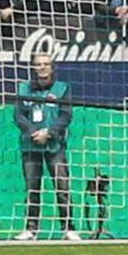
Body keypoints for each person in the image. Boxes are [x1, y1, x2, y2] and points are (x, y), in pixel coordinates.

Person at [14, 54, 80, 241]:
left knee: (62, 186)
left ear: (52, 67)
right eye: (38, 64)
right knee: (32, 188)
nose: (42, 68)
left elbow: (65, 116)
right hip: (30, 145)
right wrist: (34, 132)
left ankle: (69, 227)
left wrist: (49, 133)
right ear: (33, 68)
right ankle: (31, 228)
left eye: (46, 64)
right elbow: (19, 116)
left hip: (55, 146)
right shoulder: (23, 88)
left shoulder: (62, 89)